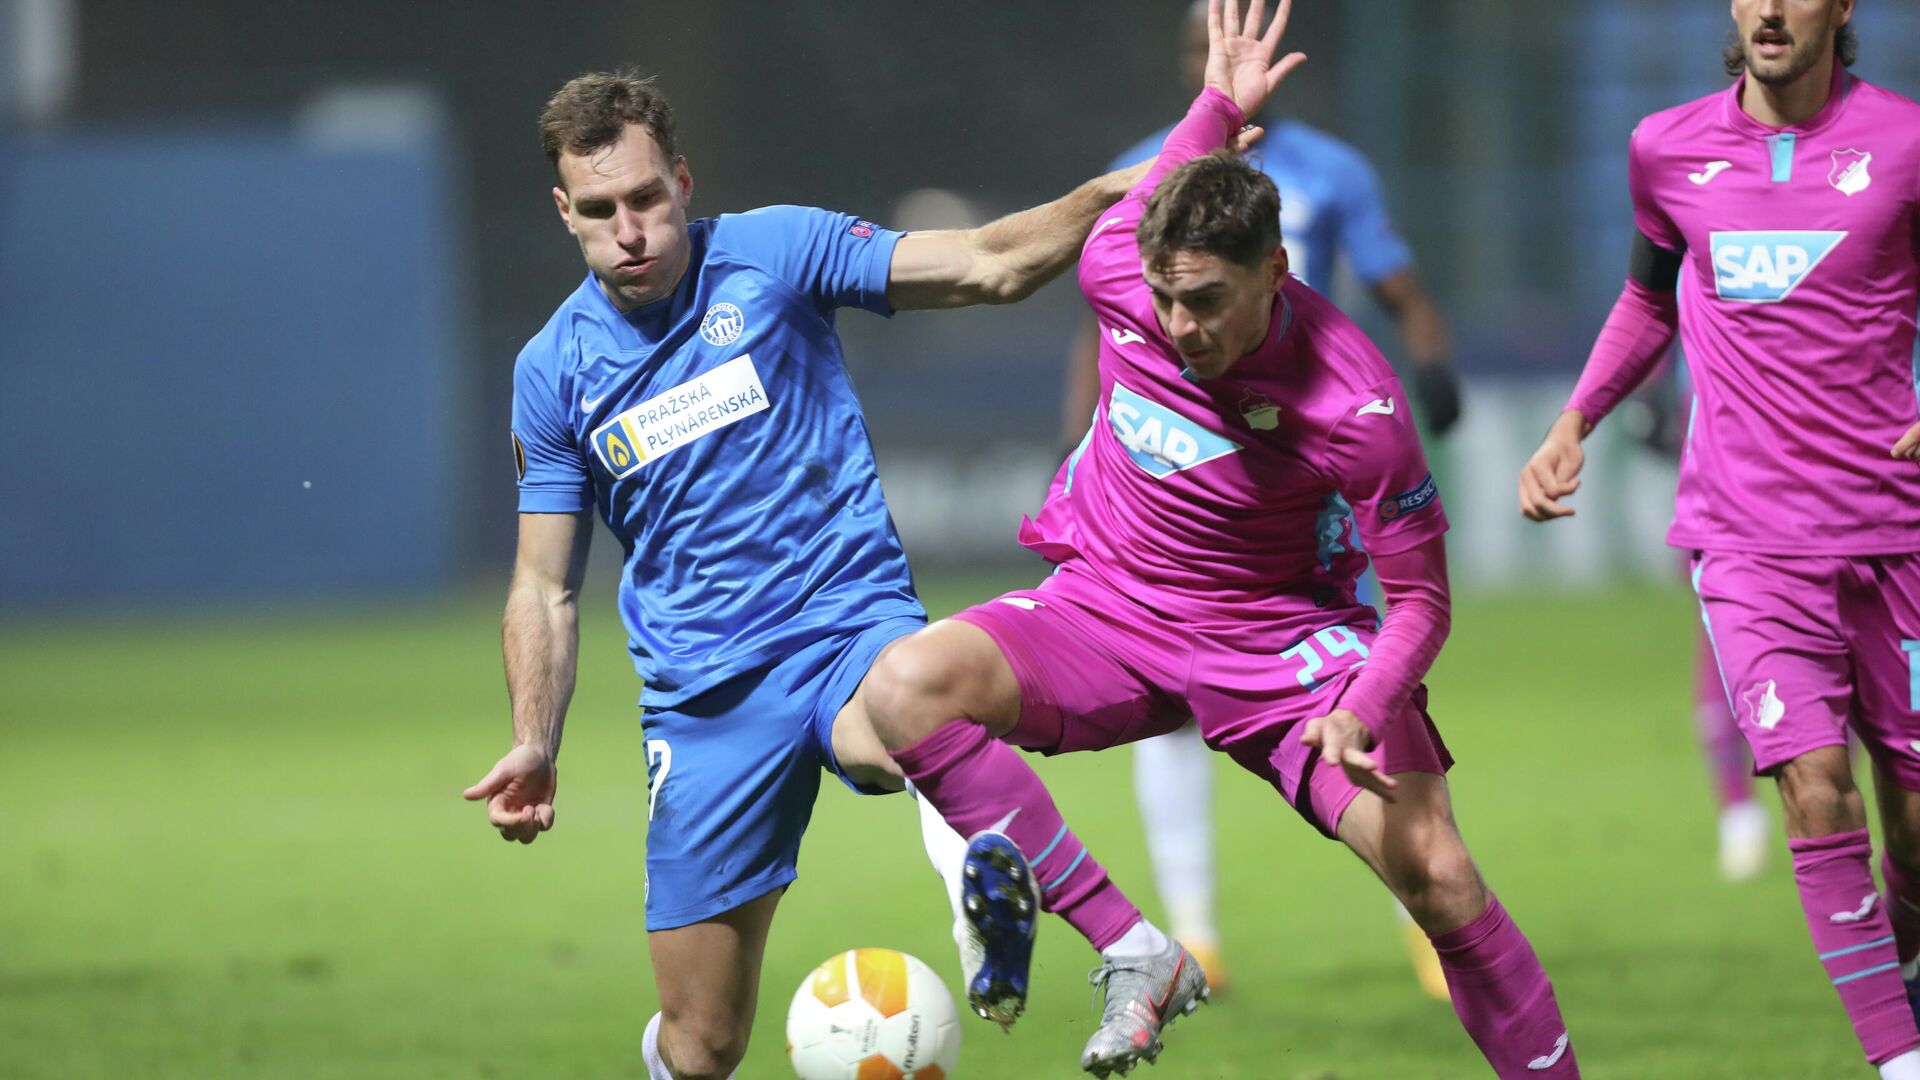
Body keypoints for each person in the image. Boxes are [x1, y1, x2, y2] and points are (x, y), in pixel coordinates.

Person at [866, 3, 1578, 1076]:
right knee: (905, 689)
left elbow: (1424, 604)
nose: (1180, 325)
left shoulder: (1356, 406)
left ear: (1277, 272)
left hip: (1279, 645)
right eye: (1166, 299)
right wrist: (1214, 100)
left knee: (1440, 874)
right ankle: (1136, 949)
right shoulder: (1122, 271)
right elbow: (1169, 182)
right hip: (1104, 608)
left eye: (1206, 301)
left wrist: (1364, 705)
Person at [461, 70, 1184, 1080]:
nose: (628, 229)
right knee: (702, 1043)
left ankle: (1003, 905)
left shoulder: (775, 251)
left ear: (681, 178)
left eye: (646, 200)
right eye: (598, 211)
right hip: (705, 702)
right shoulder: (553, 371)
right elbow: (544, 586)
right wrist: (533, 739)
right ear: (563, 211)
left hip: (848, 624)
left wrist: (1107, 196)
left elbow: (982, 263)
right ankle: (978, 870)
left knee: (910, 723)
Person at [1519, 0, 1920, 1074]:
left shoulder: (1906, 142)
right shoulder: (1667, 147)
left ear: (1842, 8)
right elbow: (1649, 301)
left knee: (1915, 828)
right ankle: (1898, 1061)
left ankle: (1907, 970)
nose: (1770, 9)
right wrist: (1574, 420)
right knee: (1813, 785)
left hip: (1897, 533)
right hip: (1748, 538)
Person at [1059, 0, 1462, 1000]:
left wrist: (1430, 360)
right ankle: (1196, 933)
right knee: (1169, 704)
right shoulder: (1150, 166)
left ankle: (1429, 907)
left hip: (1299, 475)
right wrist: (1083, 437)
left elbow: (1394, 281)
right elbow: (1105, 324)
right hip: (1181, 463)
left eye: (1223, 48)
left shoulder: (1329, 172)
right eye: (1197, 52)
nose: (1213, 62)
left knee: (1365, 688)